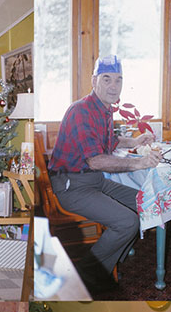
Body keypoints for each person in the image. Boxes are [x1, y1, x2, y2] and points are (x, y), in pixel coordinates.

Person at [48, 55, 161, 289]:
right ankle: (84, 278)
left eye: (118, 80)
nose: (113, 86)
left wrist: (135, 141)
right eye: (106, 79)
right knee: (127, 221)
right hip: (72, 186)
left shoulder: (104, 110)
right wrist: (138, 164)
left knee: (146, 202)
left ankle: (111, 259)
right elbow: (96, 161)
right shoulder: (81, 111)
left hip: (93, 181)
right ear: (94, 81)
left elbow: (109, 142)